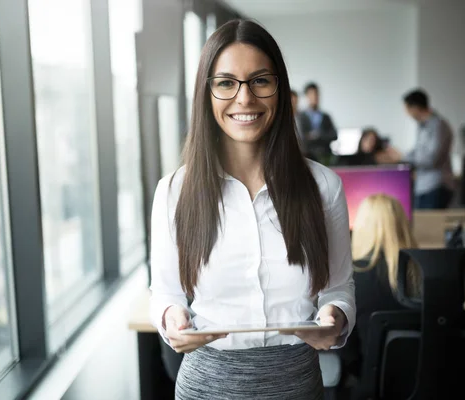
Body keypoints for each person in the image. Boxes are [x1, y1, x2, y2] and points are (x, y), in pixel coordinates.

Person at [149, 19, 355, 400]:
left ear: (280, 89)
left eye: (260, 80)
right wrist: (171, 319)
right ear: (206, 93)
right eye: (226, 83)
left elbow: (338, 288)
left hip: (296, 384)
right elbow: (166, 294)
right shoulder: (174, 191)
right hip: (206, 386)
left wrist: (334, 317)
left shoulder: (323, 186)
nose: (244, 98)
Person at [341, 194, 420, 384]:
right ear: (402, 226)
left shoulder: (350, 276)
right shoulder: (424, 271)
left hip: (372, 383)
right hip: (425, 383)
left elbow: (346, 350)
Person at [402, 89, 455, 209]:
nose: (407, 113)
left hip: (436, 185)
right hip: (423, 185)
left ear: (415, 107)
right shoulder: (422, 126)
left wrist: (402, 157)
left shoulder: (438, 125)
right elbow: (417, 151)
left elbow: (431, 159)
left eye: (407, 109)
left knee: (430, 226)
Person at [296, 82, 337, 163]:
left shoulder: (326, 116)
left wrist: (317, 135)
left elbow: (334, 135)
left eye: (316, 94)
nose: (314, 97)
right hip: (307, 156)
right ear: (306, 96)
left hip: (325, 156)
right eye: (311, 94)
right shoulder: (300, 117)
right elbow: (302, 137)